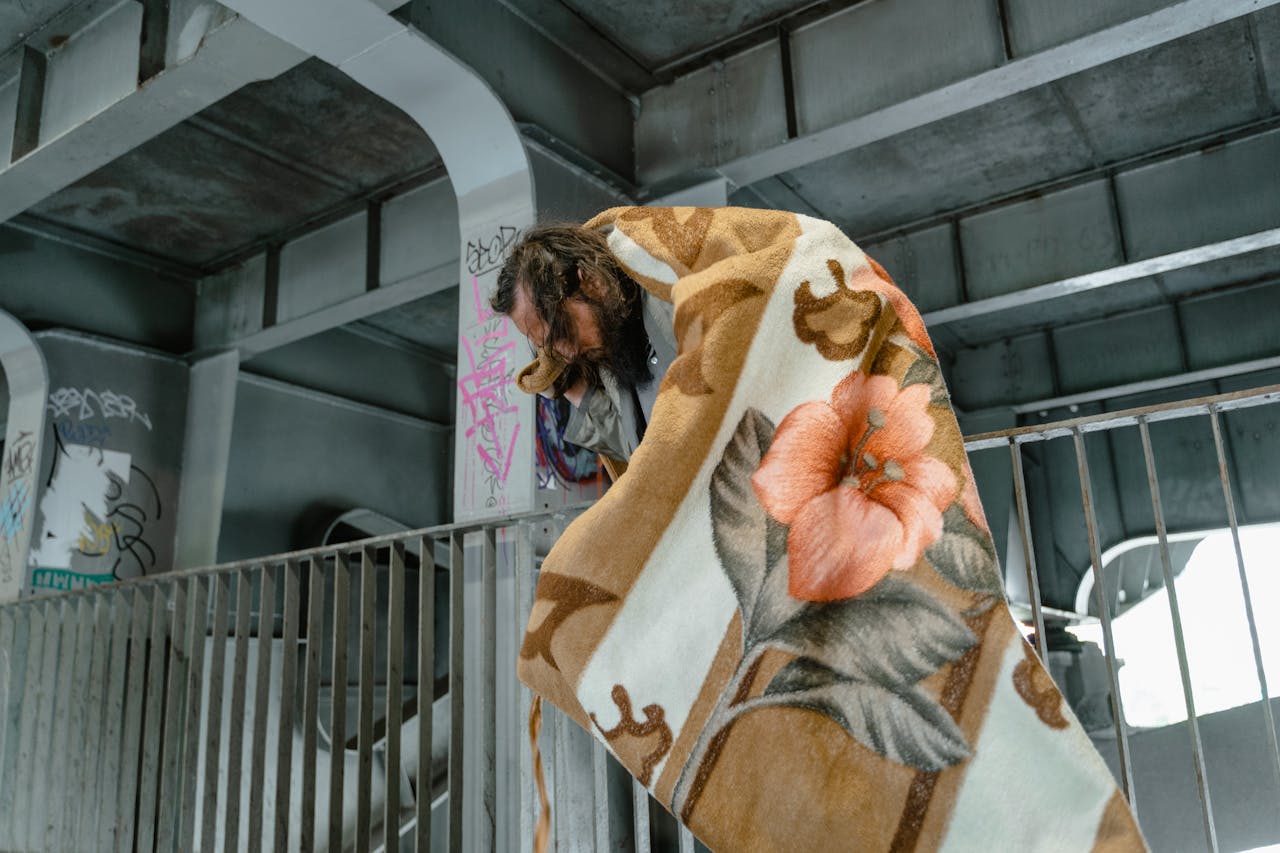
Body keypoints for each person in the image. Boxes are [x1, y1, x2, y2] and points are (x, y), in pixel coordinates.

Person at [490, 223, 676, 468]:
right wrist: (577, 391)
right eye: (550, 346)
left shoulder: (672, 297)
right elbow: (649, 453)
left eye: (563, 331)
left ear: (591, 281)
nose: (568, 354)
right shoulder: (613, 351)